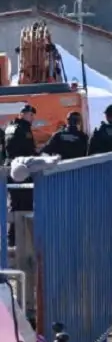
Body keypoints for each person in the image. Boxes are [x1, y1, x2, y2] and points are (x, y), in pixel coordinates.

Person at [1, 105, 38, 247]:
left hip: (10, 168)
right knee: (26, 204)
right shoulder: (24, 128)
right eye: (31, 115)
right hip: (21, 170)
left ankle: (11, 240)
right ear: (23, 114)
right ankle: (24, 241)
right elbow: (29, 152)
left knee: (14, 204)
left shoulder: (9, 127)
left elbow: (4, 150)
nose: (32, 118)